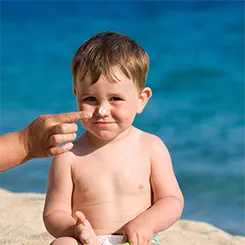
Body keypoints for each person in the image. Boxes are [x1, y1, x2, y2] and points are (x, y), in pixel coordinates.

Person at [43, 31, 184, 245]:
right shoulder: (68, 156)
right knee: (62, 243)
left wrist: (147, 223)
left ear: (141, 100)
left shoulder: (151, 148)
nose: (101, 110)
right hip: (87, 241)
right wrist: (75, 230)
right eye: (90, 99)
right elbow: (54, 212)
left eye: (115, 98)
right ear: (76, 95)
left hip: (135, 240)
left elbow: (171, 200)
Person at [0, 111, 92, 172]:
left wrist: (26, 142)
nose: (101, 111)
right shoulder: (67, 159)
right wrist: (26, 143)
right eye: (91, 99)